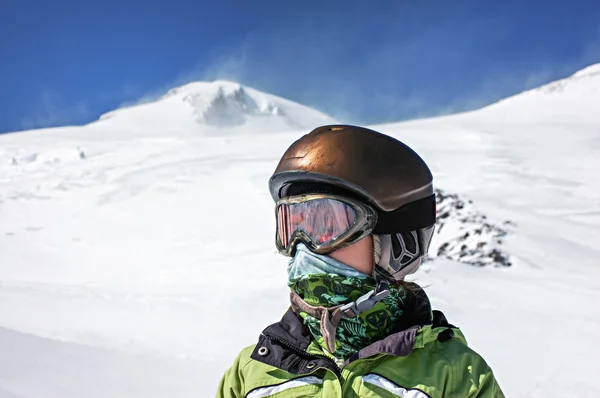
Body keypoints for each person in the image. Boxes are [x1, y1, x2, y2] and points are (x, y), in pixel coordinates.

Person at [217, 125, 504, 397]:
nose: (303, 247)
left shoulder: (454, 374)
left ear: (395, 243)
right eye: (292, 226)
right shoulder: (254, 370)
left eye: (327, 225)